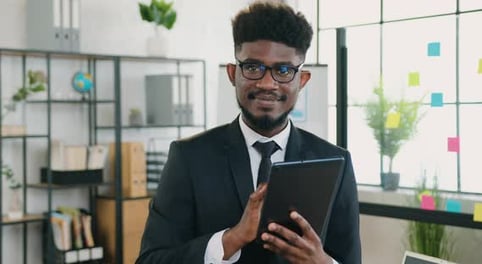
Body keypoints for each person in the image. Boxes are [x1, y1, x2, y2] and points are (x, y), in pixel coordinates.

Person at [136, 1, 361, 263]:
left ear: (303, 80)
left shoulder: (336, 162)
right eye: (253, 67)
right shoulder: (189, 158)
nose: (267, 83)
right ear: (233, 74)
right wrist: (231, 239)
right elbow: (150, 260)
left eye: (284, 70)